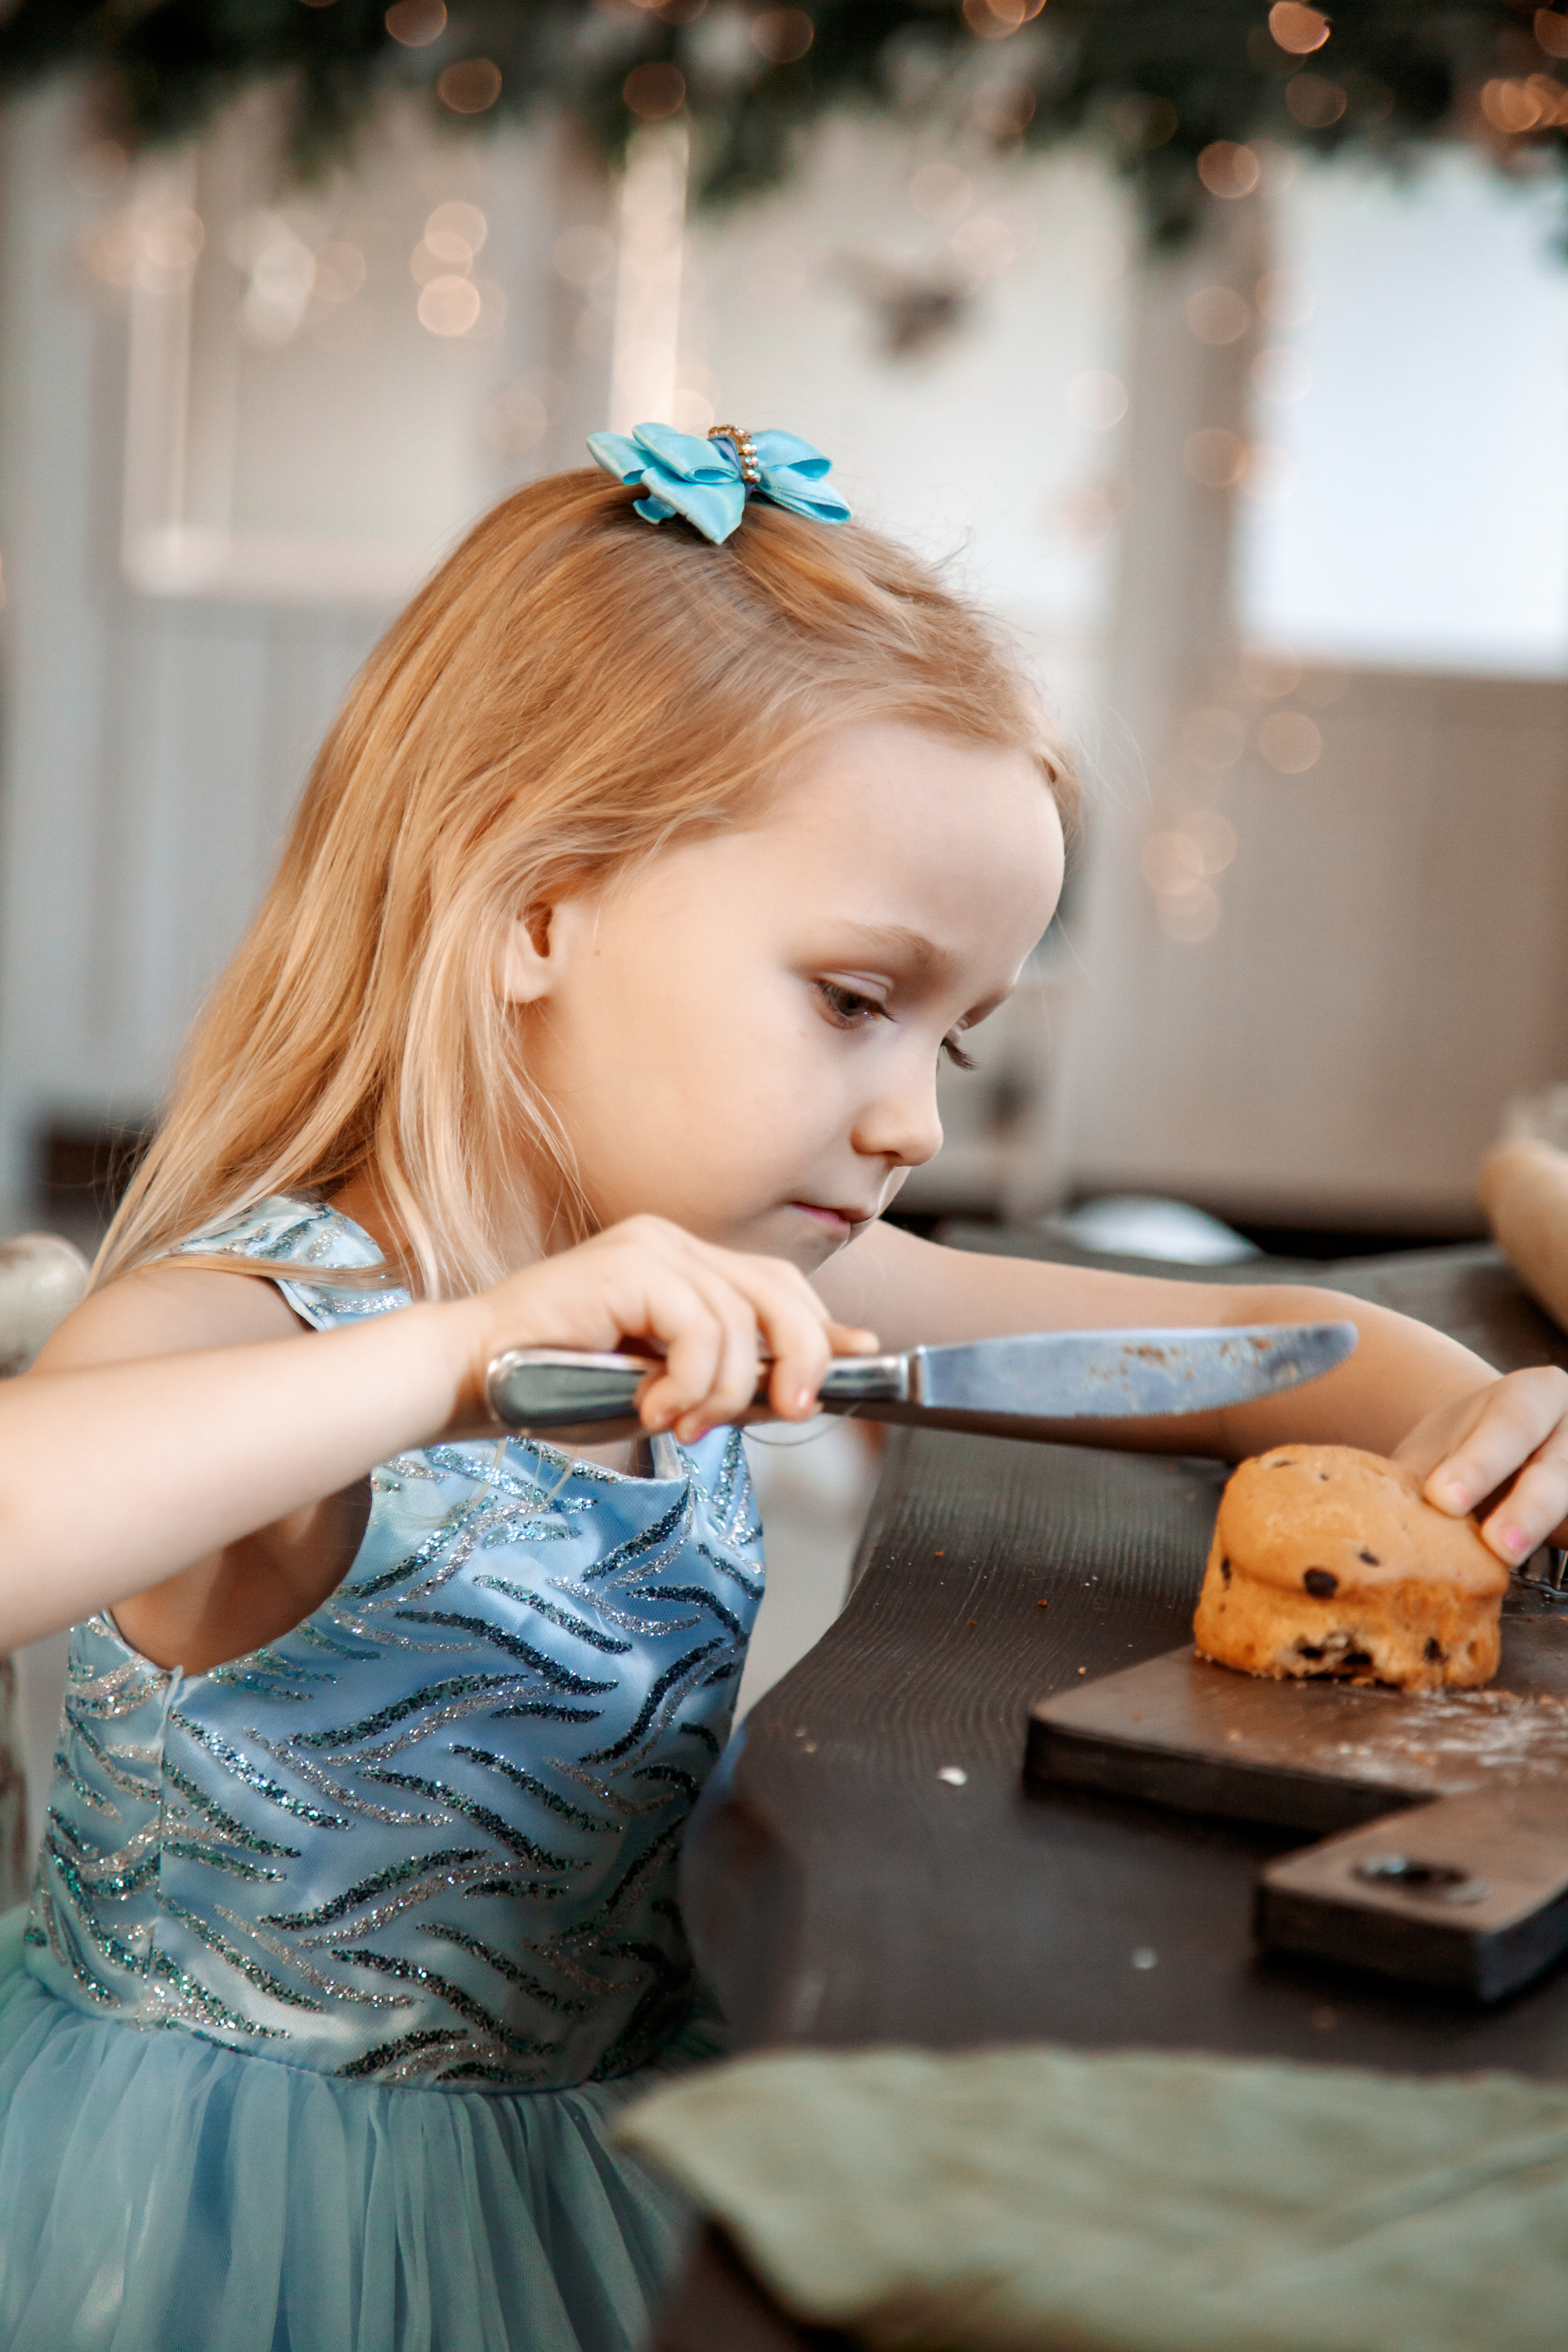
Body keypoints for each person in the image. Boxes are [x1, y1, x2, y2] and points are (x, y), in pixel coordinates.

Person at [0, 423, 1564, 2352]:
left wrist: (1469, 1400)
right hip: (268, 2232)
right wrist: (448, 1362)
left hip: (616, 2128)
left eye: (957, 1045)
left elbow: (1251, 1357)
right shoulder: (256, 1321)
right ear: (537, 910)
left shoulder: (769, 1274)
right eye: (852, 1001)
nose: (912, 1121)